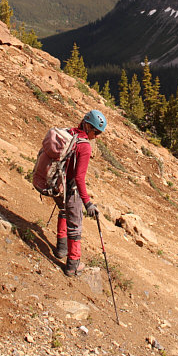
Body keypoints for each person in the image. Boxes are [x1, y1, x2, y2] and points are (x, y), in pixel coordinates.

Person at [54, 109, 107, 276]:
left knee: (63, 212)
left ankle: (61, 248)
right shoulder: (84, 146)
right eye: (96, 131)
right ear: (87, 125)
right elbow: (79, 178)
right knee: (75, 226)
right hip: (71, 189)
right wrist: (87, 202)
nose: (97, 136)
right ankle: (73, 264)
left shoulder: (69, 134)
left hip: (57, 184)